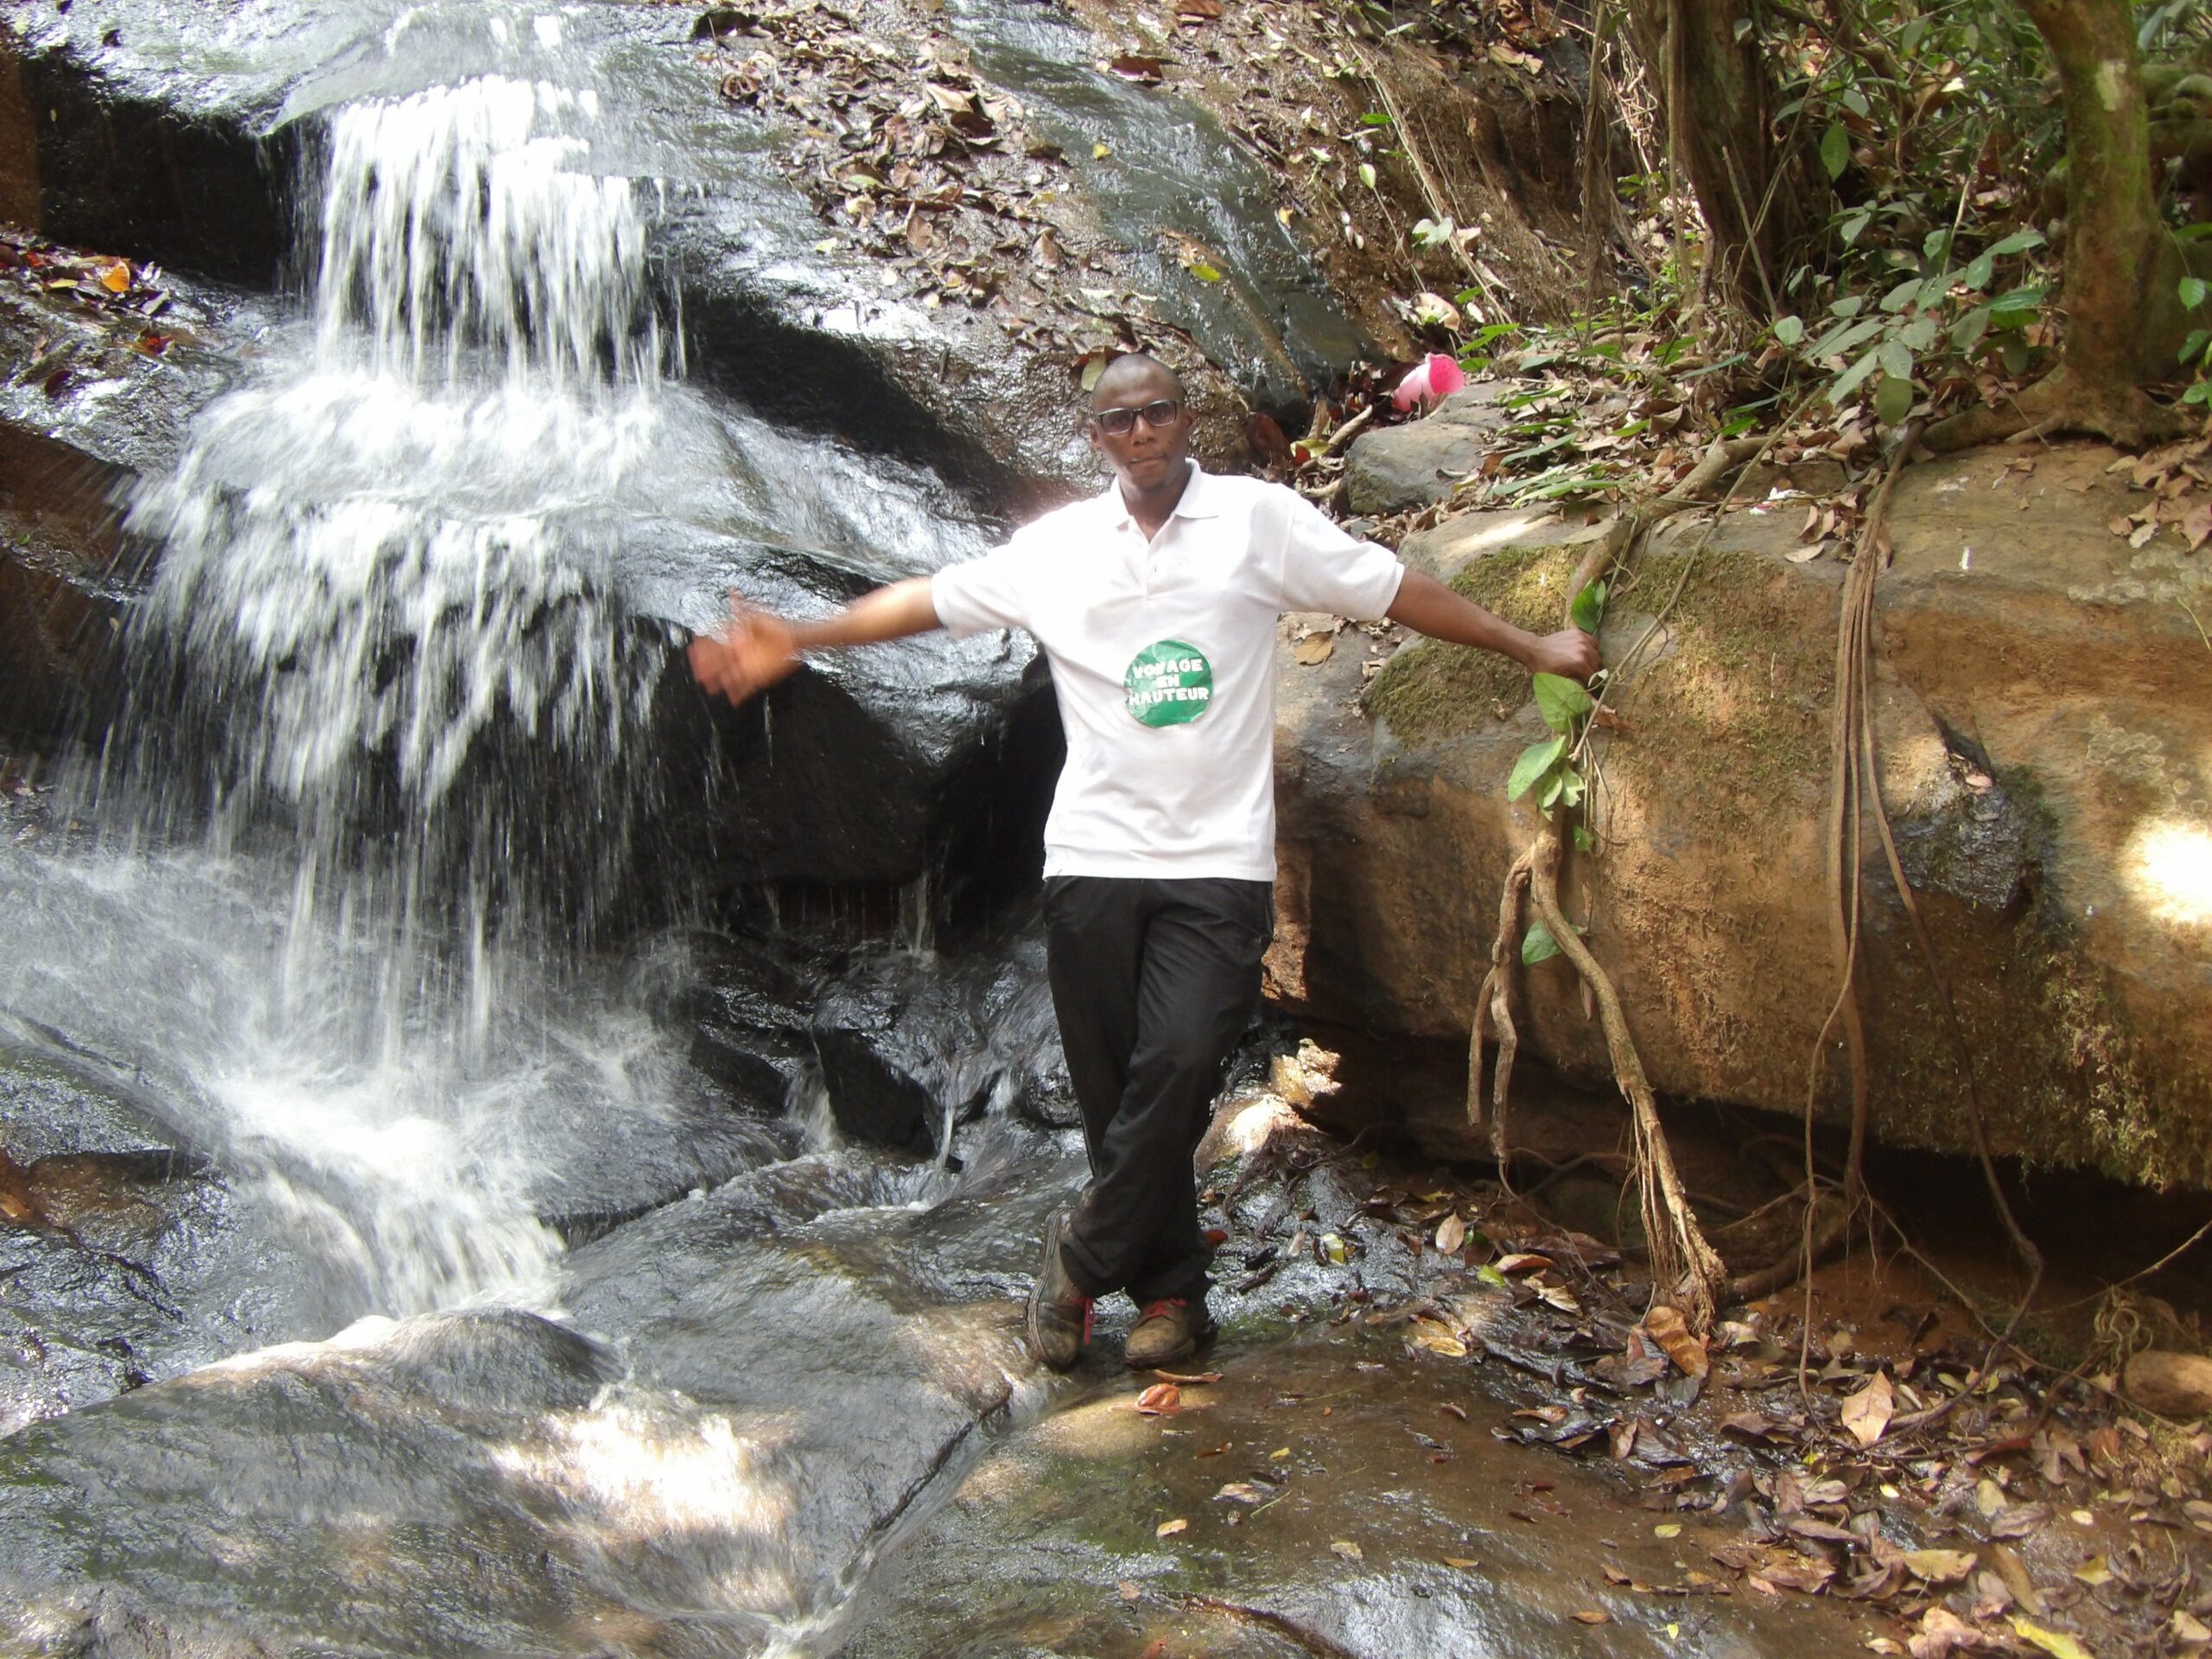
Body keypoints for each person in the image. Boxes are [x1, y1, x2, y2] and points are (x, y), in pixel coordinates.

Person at [689, 353, 1599, 1371]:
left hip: (1218, 865)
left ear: (1187, 419)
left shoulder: (1257, 521)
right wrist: (801, 636)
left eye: (1158, 412)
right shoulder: (1063, 547)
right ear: (1096, 438)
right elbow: (930, 602)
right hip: (1091, 862)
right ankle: (1172, 1297)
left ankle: (1077, 1259)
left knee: (1179, 1066)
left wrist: (1532, 648)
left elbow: (1395, 591)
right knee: (1120, 1091)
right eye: (1118, 421)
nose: (1141, 433)